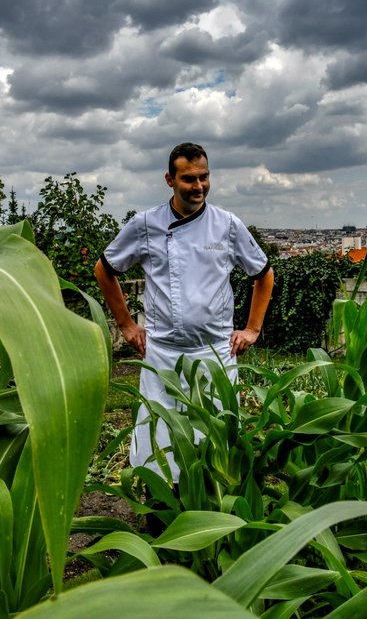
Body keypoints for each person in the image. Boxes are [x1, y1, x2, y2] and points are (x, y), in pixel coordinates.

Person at [94, 142, 274, 482]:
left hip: (215, 354)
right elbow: (105, 270)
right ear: (170, 180)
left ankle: (211, 515)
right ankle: (160, 516)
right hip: (162, 354)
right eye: (189, 179)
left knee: (214, 443)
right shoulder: (145, 224)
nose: (199, 187)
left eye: (204, 178)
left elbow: (263, 275)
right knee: (157, 442)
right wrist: (127, 326)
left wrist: (251, 329)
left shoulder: (228, 225)